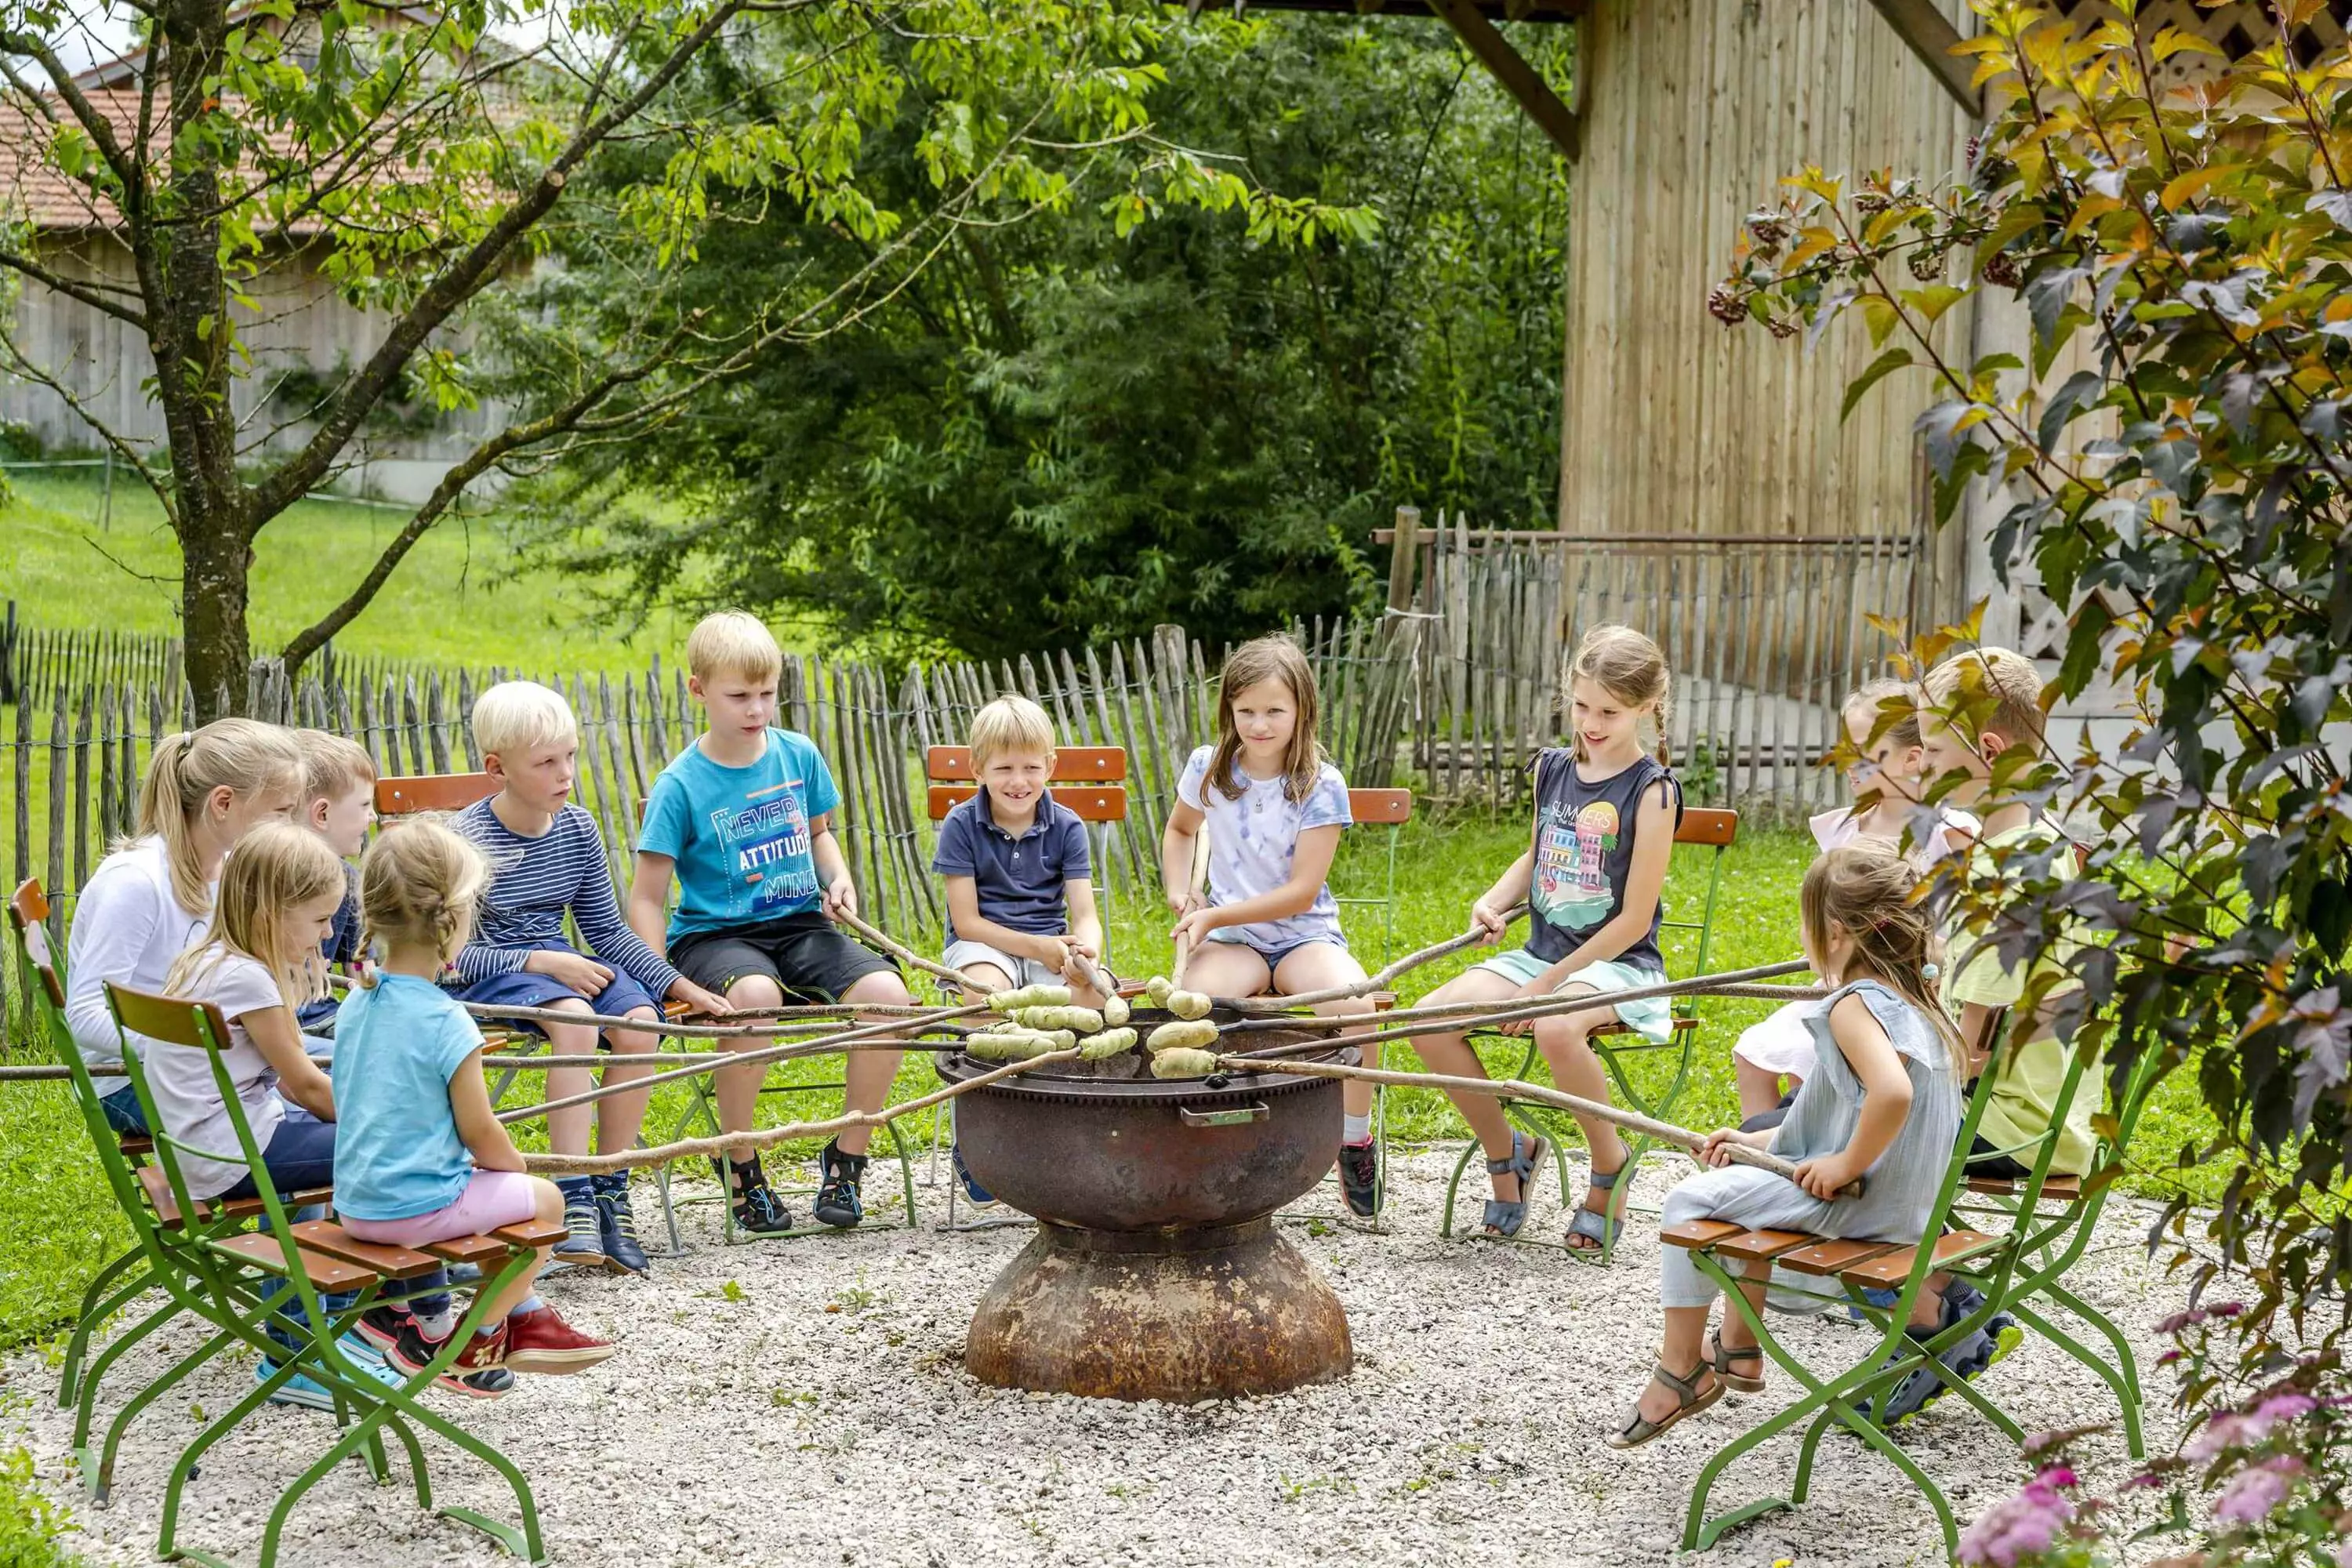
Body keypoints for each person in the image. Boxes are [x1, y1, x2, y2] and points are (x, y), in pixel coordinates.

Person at [1606, 846, 1964, 1448]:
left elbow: (1892, 1094)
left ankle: (1681, 1369)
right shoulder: (1917, 1002)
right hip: (1908, 1204)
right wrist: (1754, 1142)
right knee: (1739, 1195)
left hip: (1863, 1204)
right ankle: (1740, 1348)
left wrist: (1845, 1164)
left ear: (1834, 932)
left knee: (1686, 1204)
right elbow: (1844, 1114)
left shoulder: (1854, 1006)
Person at [626, 612, 909, 1235]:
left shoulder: (797, 755)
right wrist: (657, 978)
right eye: (739, 696)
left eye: (766, 693)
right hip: (714, 937)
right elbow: (646, 897)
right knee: (755, 996)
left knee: (888, 993)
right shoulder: (680, 785)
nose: (756, 709)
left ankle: (848, 1157)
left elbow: (820, 835)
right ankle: (740, 1160)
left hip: (802, 926)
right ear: (698, 690)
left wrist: (839, 876)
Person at [1401, 623, 1680, 1250]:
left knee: (1555, 1026)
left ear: (1646, 706)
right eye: (1582, 706)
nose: (1591, 723)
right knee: (1427, 1021)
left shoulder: (1653, 791)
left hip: (1618, 965)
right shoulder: (1554, 769)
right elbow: (1536, 856)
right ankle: (1509, 1152)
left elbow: (1634, 920)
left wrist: (1548, 988)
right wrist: (1493, 900)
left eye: (1608, 712)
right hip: (1542, 956)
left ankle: (1609, 1163)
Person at [448, 681, 731, 1275]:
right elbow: (445, 958)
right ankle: (571, 1192)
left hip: (559, 964)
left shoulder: (577, 829)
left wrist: (678, 986)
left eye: (570, 756)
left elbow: (607, 933)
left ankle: (610, 1188)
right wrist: (539, 962)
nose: (565, 773)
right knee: (576, 1020)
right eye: (546, 763)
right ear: (497, 769)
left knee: (641, 1021)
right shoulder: (464, 842)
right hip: (493, 969)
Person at [334, 820, 615, 1392]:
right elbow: (480, 1132)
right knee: (544, 1202)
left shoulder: (357, 1004)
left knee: (507, 1202)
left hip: (357, 1203)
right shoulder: (448, 1020)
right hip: (412, 1210)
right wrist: (517, 1169)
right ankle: (476, 1339)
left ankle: (527, 1316)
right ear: (456, 918)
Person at [149, 820, 407, 1411]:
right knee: (386, 1151)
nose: (327, 936)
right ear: (270, 912)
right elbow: (306, 1087)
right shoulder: (249, 979)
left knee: (333, 1151)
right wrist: (390, 1124)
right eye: (319, 921)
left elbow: (291, 1086)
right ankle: (320, 1343)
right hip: (232, 1154)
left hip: (201, 1145)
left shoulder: (205, 957)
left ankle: (320, 1327)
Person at [1161, 633, 1380, 1218]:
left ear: (1302, 710)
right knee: (1193, 1008)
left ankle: (1353, 1138)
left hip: (1305, 934)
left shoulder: (1320, 784)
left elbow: (1300, 892)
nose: (1259, 725)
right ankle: (1212, 1140)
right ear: (1229, 709)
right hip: (1237, 942)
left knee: (1358, 1008)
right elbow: (1180, 831)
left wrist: (1215, 913)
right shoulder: (1209, 767)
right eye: (1246, 711)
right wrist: (1182, 892)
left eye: (1275, 711)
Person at [1732, 678, 1979, 1129]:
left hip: (1912, 998)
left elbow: (1962, 935)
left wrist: (1918, 963)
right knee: (1755, 1052)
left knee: (1811, 1057)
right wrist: (1833, 967)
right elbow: (1826, 919)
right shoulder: (1844, 831)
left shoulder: (1949, 836)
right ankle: (1771, 1157)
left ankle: (1819, 1146)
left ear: (1912, 758)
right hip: (1841, 988)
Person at [67, 718, 305, 1134]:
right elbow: (85, 1016)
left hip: (213, 1064)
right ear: (223, 802)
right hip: (129, 1080)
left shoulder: (229, 870)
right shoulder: (135, 882)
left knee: (342, 1074)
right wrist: (196, 1047)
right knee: (319, 1124)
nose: (289, 827)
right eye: (281, 812)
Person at [1915, 649, 2090, 1178]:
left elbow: (1971, 1055)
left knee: (1827, 1114)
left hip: (2002, 1124)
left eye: (1933, 749)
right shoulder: (2040, 841)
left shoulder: (2005, 878)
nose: (1922, 764)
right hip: (2041, 1118)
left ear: (1990, 752)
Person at [932, 695, 1107, 1206]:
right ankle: (978, 1139)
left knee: (1091, 1001)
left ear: (1050, 766)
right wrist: (1038, 947)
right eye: (1004, 768)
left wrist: (1087, 956)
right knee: (987, 995)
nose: (1018, 781)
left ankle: (1061, 1134)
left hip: (1049, 944)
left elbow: (1085, 914)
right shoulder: (962, 825)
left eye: (1031, 768)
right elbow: (967, 921)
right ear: (977, 769)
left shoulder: (1067, 826)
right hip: (983, 944)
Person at [289, 729, 376, 1047]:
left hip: (327, 1018)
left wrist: (370, 989)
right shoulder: (267, 883)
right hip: (281, 1027)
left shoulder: (349, 881)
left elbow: (360, 964)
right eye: (365, 805)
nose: (373, 816)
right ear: (322, 813)